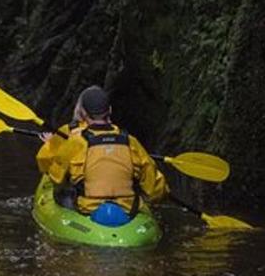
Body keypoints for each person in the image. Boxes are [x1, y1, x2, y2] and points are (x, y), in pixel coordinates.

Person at [36, 86, 169, 226]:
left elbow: (55, 178)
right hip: (128, 209)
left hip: (87, 210)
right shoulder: (130, 141)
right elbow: (155, 190)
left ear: (83, 113)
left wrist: (49, 146)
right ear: (110, 110)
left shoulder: (75, 142)